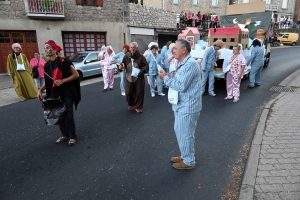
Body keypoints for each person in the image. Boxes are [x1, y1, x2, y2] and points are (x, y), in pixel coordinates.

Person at [158, 39, 202, 170]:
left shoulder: (190, 64)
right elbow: (180, 80)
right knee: (180, 131)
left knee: (186, 133)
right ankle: (185, 155)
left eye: (175, 48)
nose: (173, 51)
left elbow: (181, 86)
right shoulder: (184, 63)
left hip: (188, 106)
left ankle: (189, 161)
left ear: (184, 50)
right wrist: (170, 75)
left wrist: (165, 78)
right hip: (181, 104)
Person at [37, 40, 81, 146]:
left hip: (67, 93)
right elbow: (48, 82)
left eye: (48, 47)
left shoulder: (64, 61)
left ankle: (72, 136)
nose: (46, 50)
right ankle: (65, 135)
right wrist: (40, 90)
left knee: (68, 114)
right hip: (55, 94)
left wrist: (63, 80)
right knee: (59, 115)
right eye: (45, 48)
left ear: (55, 49)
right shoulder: (47, 66)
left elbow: (76, 75)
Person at [119, 42, 149, 113]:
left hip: (139, 78)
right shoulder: (126, 56)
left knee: (139, 92)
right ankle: (130, 104)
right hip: (129, 77)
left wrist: (142, 71)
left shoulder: (141, 57)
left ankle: (138, 106)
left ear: (137, 48)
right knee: (129, 92)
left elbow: (146, 66)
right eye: (131, 47)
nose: (132, 49)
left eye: (134, 47)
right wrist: (120, 67)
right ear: (129, 48)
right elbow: (123, 65)